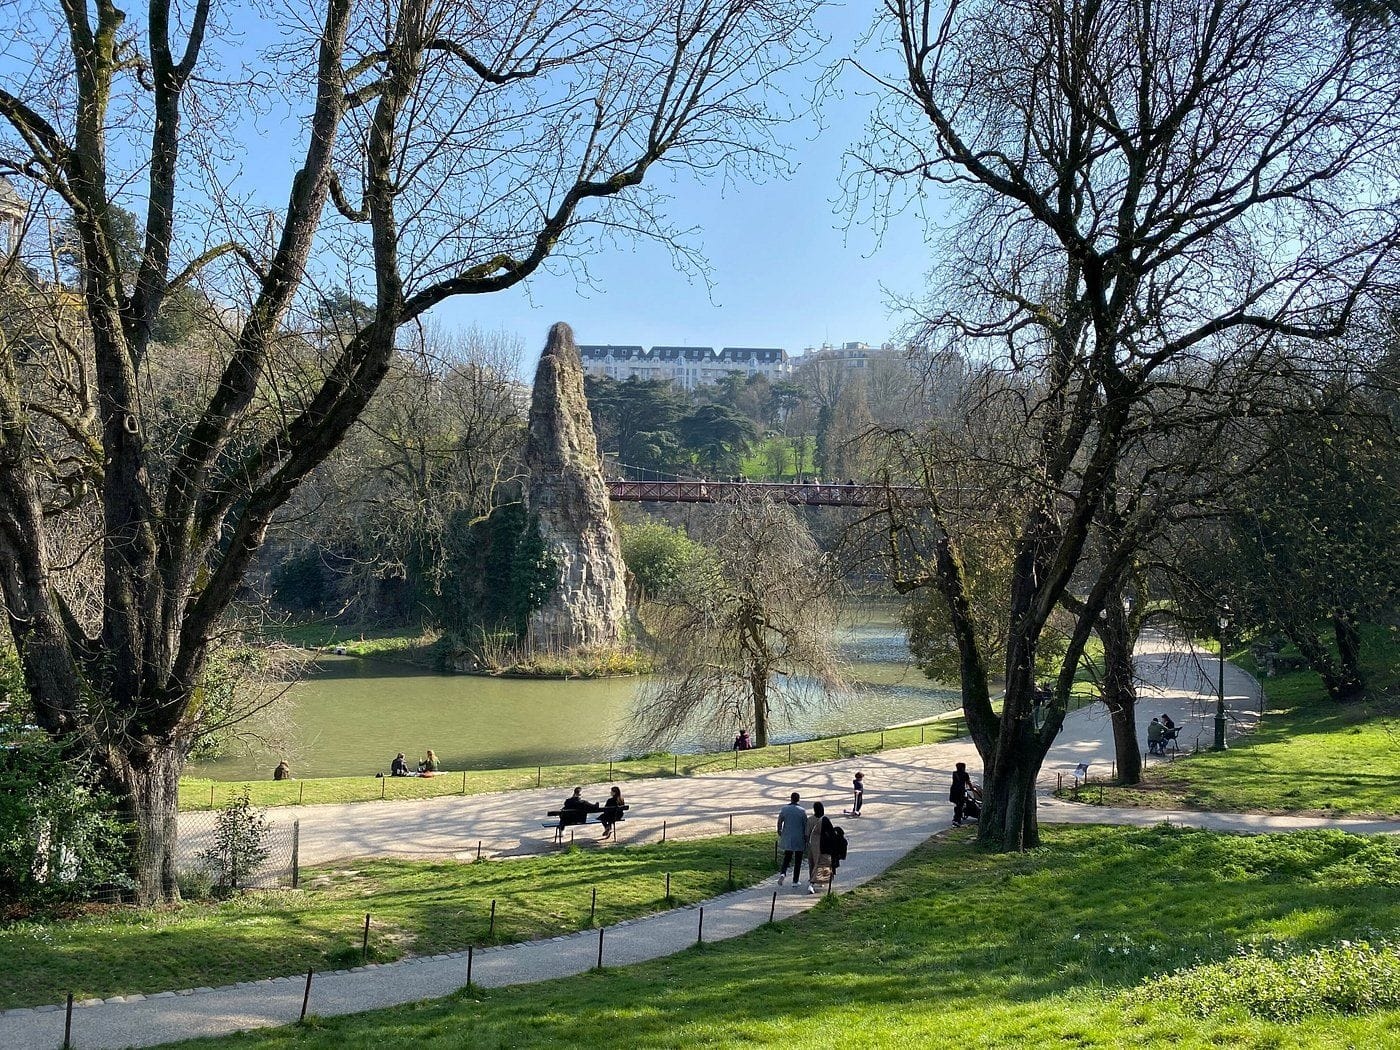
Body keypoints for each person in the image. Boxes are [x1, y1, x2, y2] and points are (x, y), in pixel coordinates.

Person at [777, 791, 808, 885]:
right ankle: (795, 880)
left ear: (791, 798)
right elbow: (805, 825)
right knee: (798, 860)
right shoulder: (802, 811)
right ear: (798, 799)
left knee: (787, 857)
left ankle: (783, 873)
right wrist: (806, 837)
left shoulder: (784, 809)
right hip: (799, 837)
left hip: (788, 836)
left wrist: (779, 830)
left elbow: (780, 821)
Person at [805, 801, 835, 894]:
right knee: (821, 862)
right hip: (823, 845)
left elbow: (807, 833)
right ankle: (820, 880)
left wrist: (807, 843)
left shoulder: (810, 820)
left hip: (813, 844)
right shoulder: (825, 820)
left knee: (812, 862)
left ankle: (812, 879)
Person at [950, 762, 975, 826]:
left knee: (957, 805)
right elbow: (968, 783)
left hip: (953, 791)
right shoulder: (965, 774)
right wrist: (972, 789)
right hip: (960, 791)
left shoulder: (954, 773)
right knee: (960, 805)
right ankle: (957, 820)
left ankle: (956, 818)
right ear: (963, 768)